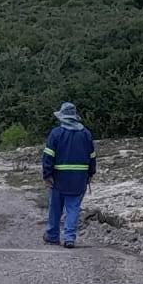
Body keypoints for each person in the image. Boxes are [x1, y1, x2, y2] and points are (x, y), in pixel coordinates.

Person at [42, 102, 96, 248]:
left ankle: (53, 235)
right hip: (79, 179)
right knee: (73, 208)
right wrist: (91, 173)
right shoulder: (86, 134)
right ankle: (69, 238)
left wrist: (47, 174)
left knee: (55, 208)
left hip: (58, 178)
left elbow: (48, 156)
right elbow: (92, 156)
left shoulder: (56, 133)